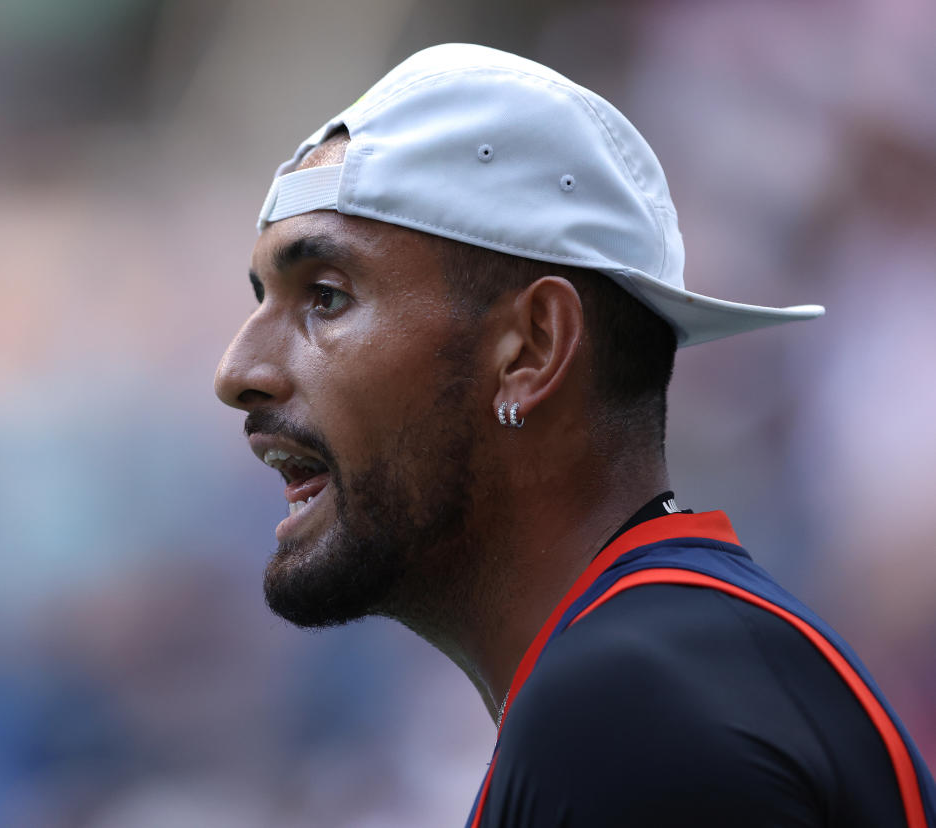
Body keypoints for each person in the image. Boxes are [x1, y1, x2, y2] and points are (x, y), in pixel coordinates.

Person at [212, 43, 936, 827]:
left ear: (532, 347)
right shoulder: (659, 664)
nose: (237, 370)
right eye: (263, 300)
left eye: (325, 297)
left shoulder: (629, 709)